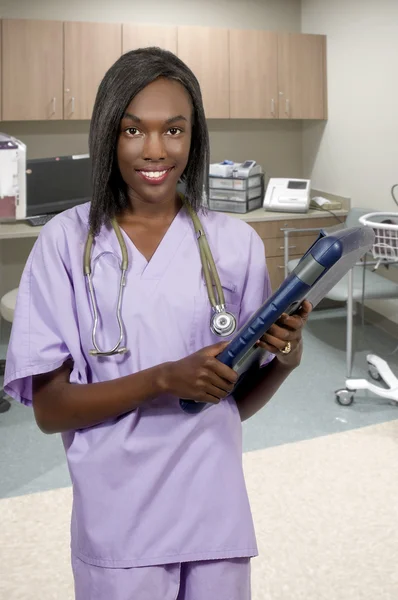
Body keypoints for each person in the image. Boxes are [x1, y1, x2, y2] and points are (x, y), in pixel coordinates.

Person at [4, 48, 311, 600]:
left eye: (174, 129)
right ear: (107, 135)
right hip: (120, 521)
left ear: (193, 137)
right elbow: (51, 411)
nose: (155, 150)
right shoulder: (65, 244)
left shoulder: (234, 244)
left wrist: (287, 359)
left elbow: (233, 401)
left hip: (214, 513)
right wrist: (162, 379)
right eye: (132, 130)